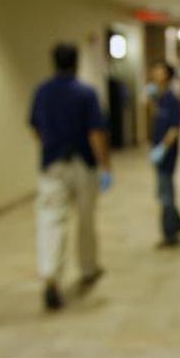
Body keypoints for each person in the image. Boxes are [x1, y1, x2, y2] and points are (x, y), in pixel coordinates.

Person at [29, 43, 112, 311]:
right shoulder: (85, 93)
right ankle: (88, 267)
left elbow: (34, 126)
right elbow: (95, 133)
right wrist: (105, 165)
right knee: (85, 218)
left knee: (51, 219)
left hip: (52, 163)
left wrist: (49, 146)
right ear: (76, 63)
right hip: (82, 163)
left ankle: (51, 274)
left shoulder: (42, 92)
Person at [147, 62, 180, 248]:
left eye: (160, 71)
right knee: (164, 190)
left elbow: (174, 128)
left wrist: (162, 148)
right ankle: (178, 223)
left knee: (165, 194)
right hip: (159, 151)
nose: (155, 73)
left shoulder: (171, 99)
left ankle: (170, 234)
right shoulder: (160, 98)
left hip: (167, 154)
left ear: (167, 75)